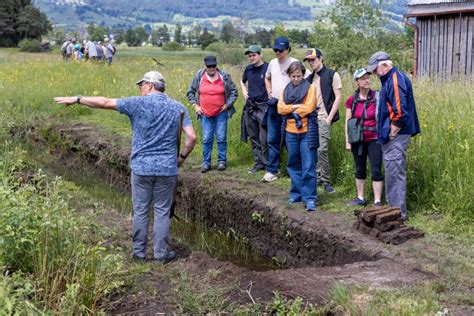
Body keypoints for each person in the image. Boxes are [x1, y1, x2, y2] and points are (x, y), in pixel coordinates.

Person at [54, 71, 197, 263]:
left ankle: (139, 254)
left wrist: (78, 99)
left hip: (141, 168)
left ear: (149, 85)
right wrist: (181, 158)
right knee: (162, 211)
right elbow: (191, 137)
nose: (140, 89)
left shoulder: (137, 104)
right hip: (166, 168)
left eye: (141, 86)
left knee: (141, 210)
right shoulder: (178, 108)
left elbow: (104, 102)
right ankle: (161, 254)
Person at [367, 51, 420, 220]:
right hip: (391, 135)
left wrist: (391, 132)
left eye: (375, 69)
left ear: (384, 64)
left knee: (395, 174)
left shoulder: (395, 80)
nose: (374, 73)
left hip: (396, 135)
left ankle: (397, 215)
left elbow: (400, 113)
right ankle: (393, 211)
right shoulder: (389, 78)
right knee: (392, 173)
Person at [277, 61, 318, 211]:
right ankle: (296, 193)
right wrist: (296, 107)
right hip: (290, 132)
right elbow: (280, 108)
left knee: (308, 165)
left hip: (307, 132)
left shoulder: (310, 88)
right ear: (289, 76)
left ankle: (310, 198)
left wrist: (291, 109)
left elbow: (309, 107)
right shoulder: (284, 90)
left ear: (303, 74)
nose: (296, 79)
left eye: (298, 76)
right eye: (293, 76)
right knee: (293, 164)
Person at [187, 55, 238, 173]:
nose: (211, 68)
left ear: (216, 65)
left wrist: (228, 105)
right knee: (207, 138)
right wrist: (196, 106)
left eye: (213, 66)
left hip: (221, 113)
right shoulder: (199, 76)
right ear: (205, 66)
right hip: (205, 113)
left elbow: (234, 92)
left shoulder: (224, 76)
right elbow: (190, 92)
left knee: (221, 137)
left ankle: (222, 161)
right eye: (209, 66)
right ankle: (206, 162)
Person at [304, 48, 342, 194]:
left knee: (322, 149)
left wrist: (329, 118)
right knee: (312, 149)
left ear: (321, 58)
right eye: (309, 61)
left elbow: (338, 97)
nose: (311, 63)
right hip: (311, 119)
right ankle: (317, 177)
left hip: (324, 118)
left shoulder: (332, 74)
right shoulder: (309, 79)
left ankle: (326, 180)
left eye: (313, 59)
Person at [263, 36, 301, 182]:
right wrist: (269, 92)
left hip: (289, 107)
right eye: (275, 49)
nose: (277, 52)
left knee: (289, 140)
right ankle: (272, 169)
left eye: (280, 50)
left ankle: (292, 169)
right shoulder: (272, 63)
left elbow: (306, 79)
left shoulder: (294, 63)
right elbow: (267, 78)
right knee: (272, 138)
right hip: (274, 105)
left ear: (287, 50)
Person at [344, 68, 383, 206]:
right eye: (363, 78)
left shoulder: (377, 97)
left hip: (375, 139)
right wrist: (348, 141)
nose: (367, 80)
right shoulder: (351, 100)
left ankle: (377, 201)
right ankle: (360, 198)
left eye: (368, 78)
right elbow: (348, 122)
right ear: (357, 82)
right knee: (359, 168)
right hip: (358, 139)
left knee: (376, 169)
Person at [240, 45, 269, 174]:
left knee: (265, 138)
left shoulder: (268, 67)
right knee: (253, 136)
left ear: (260, 54)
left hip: (263, 107)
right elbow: (242, 81)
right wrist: (244, 92)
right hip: (250, 107)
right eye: (250, 56)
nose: (252, 58)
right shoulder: (248, 69)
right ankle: (258, 163)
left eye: (254, 55)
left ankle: (268, 164)